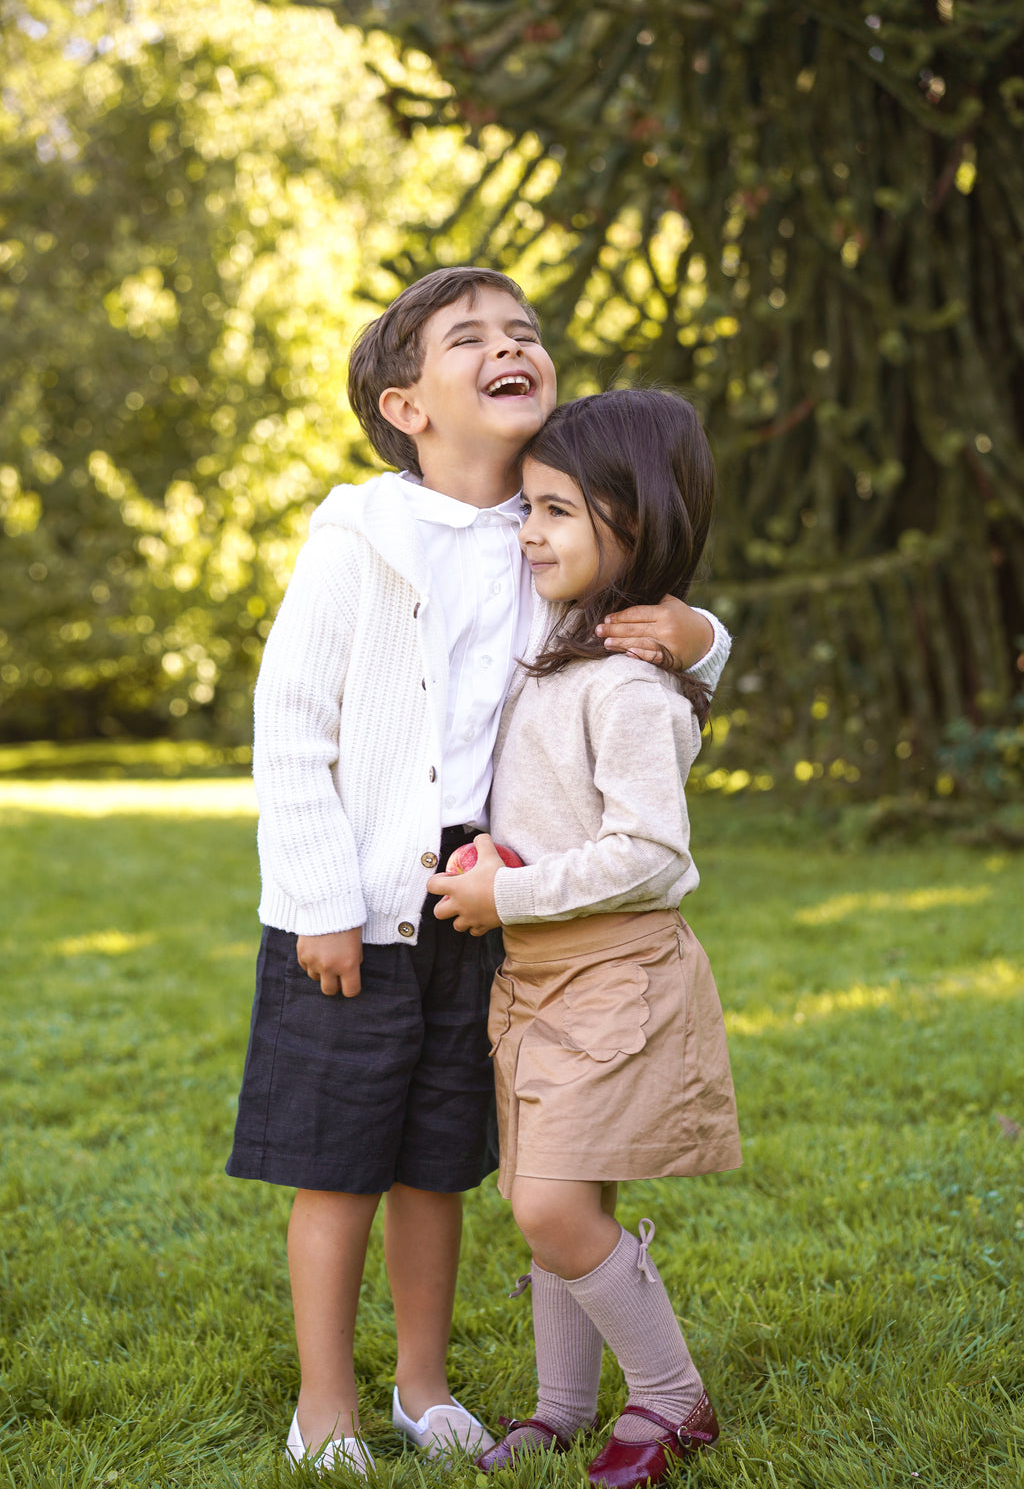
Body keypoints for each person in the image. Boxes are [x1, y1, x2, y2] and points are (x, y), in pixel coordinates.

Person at [225, 269, 733, 1476]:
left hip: (485, 916)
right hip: (349, 912)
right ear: (407, 405)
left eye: (526, 332)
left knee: (440, 1160)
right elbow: (292, 725)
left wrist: (707, 636)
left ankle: (421, 1386)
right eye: (473, 338)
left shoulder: (551, 531)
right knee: (338, 1163)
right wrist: (321, 904)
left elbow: (652, 666)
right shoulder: (359, 534)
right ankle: (326, 1404)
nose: (512, 346)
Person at [427, 387, 742, 1489]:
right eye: (530, 509)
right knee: (558, 1199)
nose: (531, 534)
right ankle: (560, 1405)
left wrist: (509, 899)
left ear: (634, 518)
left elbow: (651, 851)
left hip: (613, 979)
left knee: (549, 1204)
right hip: (539, 980)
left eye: (557, 511)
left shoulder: (628, 685)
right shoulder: (557, 654)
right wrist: (498, 866)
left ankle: (671, 1398)